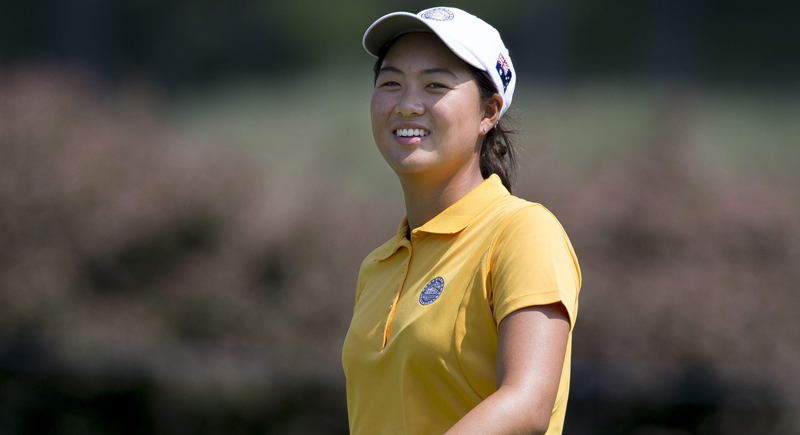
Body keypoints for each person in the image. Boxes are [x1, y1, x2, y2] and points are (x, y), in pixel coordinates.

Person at [341, 7, 581, 435]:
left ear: (489, 112)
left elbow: (527, 404)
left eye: (435, 85)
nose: (407, 104)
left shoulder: (523, 232)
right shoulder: (376, 267)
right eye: (391, 83)